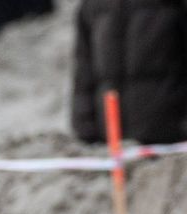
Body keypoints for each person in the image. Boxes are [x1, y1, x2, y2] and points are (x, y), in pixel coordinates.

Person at [71, 0, 187, 145]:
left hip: (169, 133)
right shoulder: (92, 4)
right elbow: (85, 68)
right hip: (109, 135)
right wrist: (85, 125)